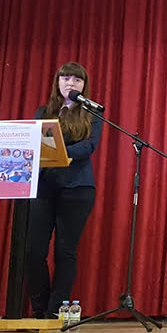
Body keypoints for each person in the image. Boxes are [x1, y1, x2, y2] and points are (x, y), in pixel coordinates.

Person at [25, 62, 103, 319]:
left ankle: (55, 310)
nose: (71, 83)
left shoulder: (91, 113)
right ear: (57, 82)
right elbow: (33, 143)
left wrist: (60, 152)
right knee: (34, 250)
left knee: (65, 250)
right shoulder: (43, 112)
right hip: (44, 185)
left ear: (84, 86)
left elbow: (89, 146)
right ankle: (40, 308)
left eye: (77, 80)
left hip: (77, 187)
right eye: (66, 78)